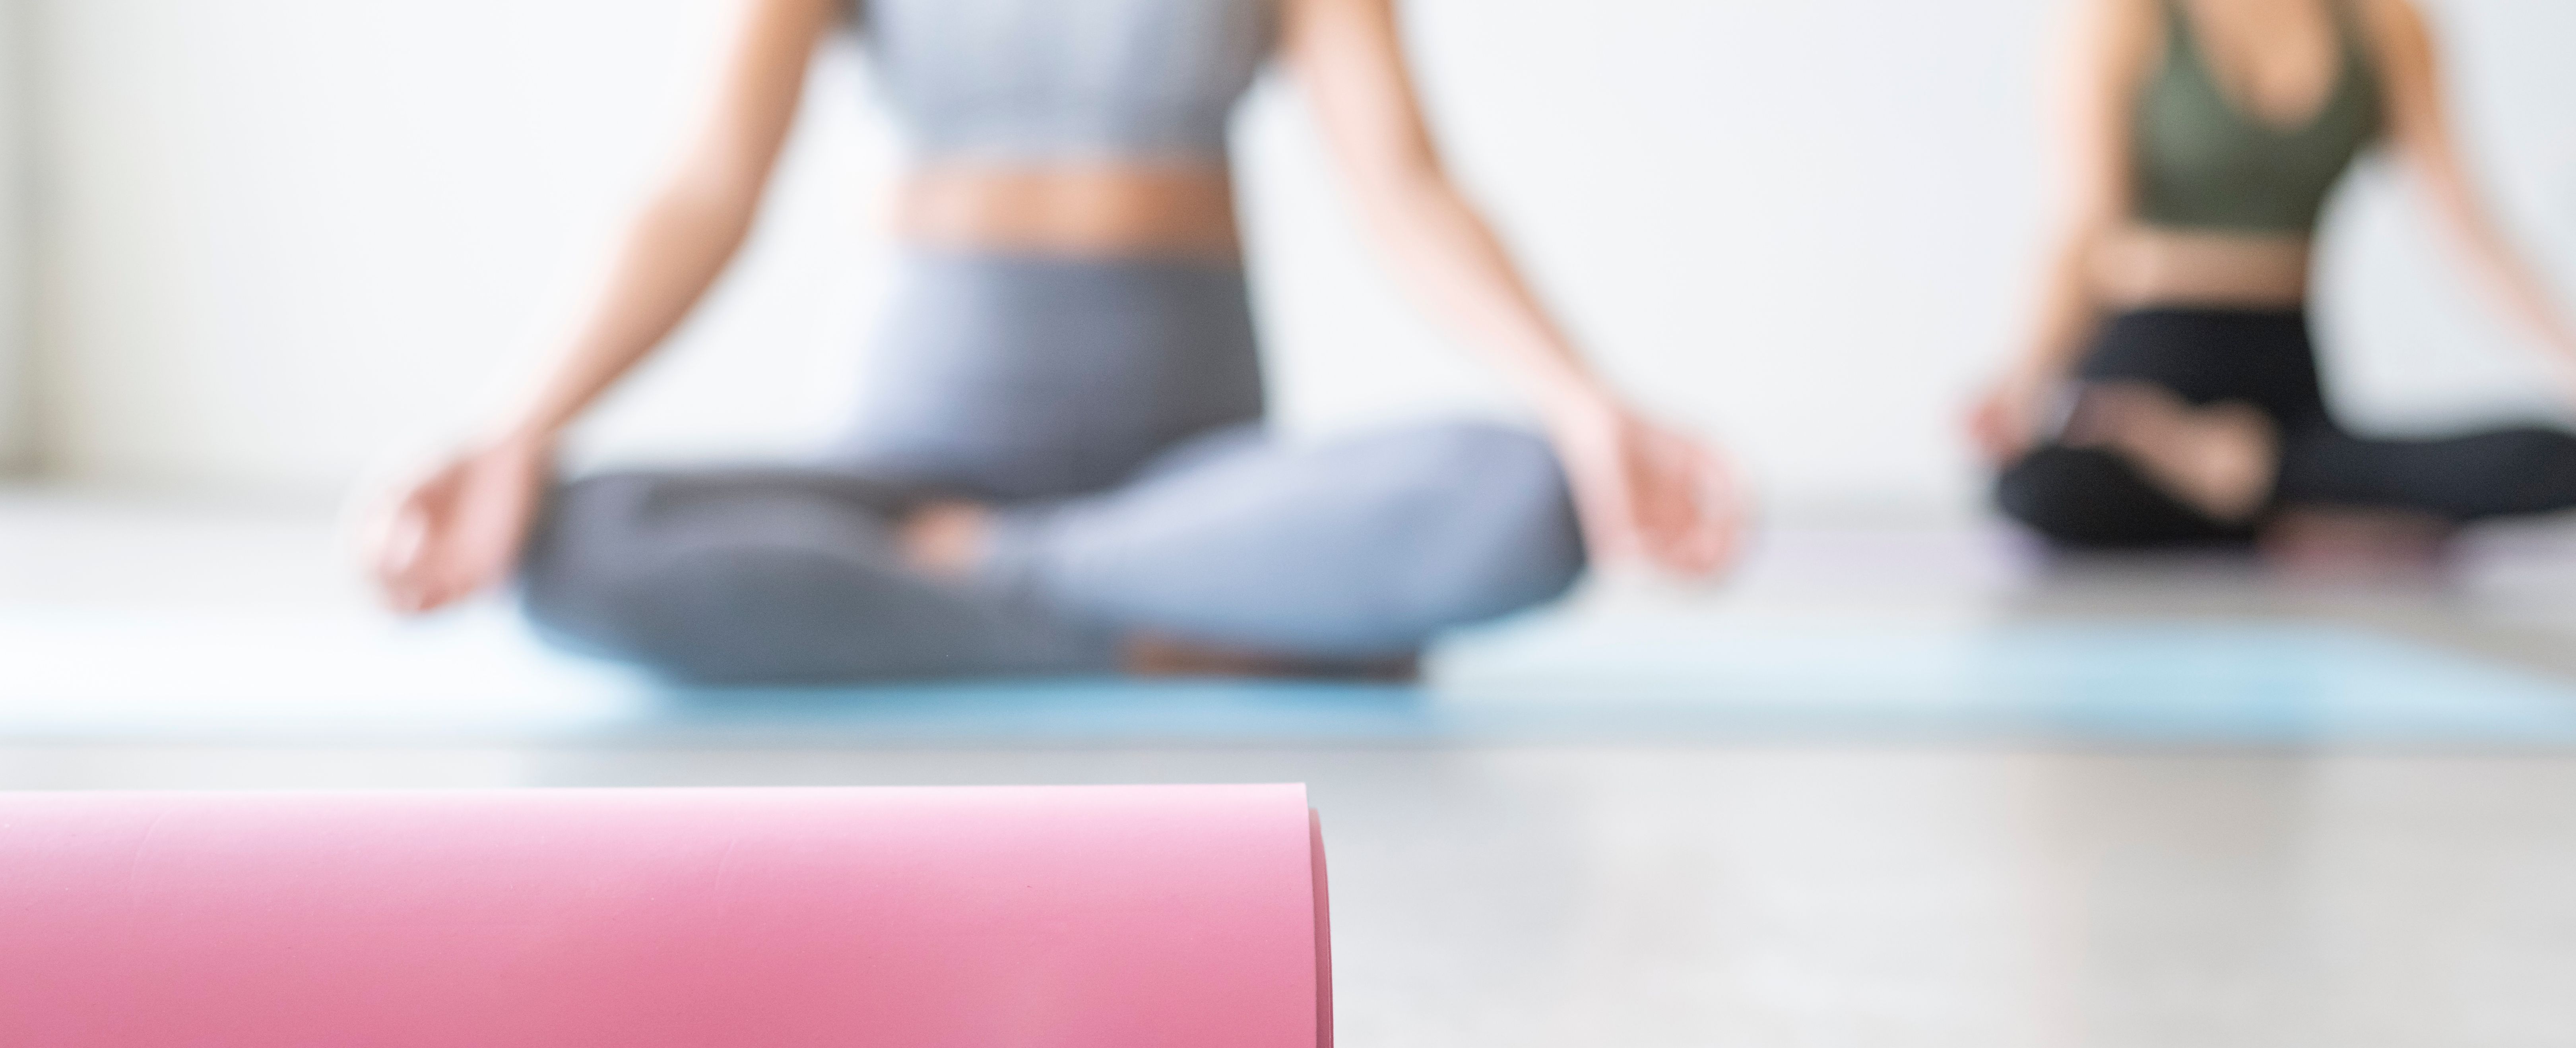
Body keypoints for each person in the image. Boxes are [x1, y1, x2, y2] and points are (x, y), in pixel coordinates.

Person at [361, 0, 1741, 683]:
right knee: (574, 550)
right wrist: (513, 433)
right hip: (911, 474)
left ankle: (1023, 587)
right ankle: (1188, 628)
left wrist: (1581, 402)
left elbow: (1405, 183)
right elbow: (700, 192)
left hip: (1194, 487)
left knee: (1528, 501)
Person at [1970, 0, 2576, 552]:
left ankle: (2269, 492)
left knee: (2553, 460)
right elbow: (2087, 226)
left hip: (2285, 395)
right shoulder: (2127, 16)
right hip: (2143, 388)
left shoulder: (2384, 22)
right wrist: (2027, 379)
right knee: (2038, 488)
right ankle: (2295, 510)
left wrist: (2567, 357)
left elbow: (2464, 223)